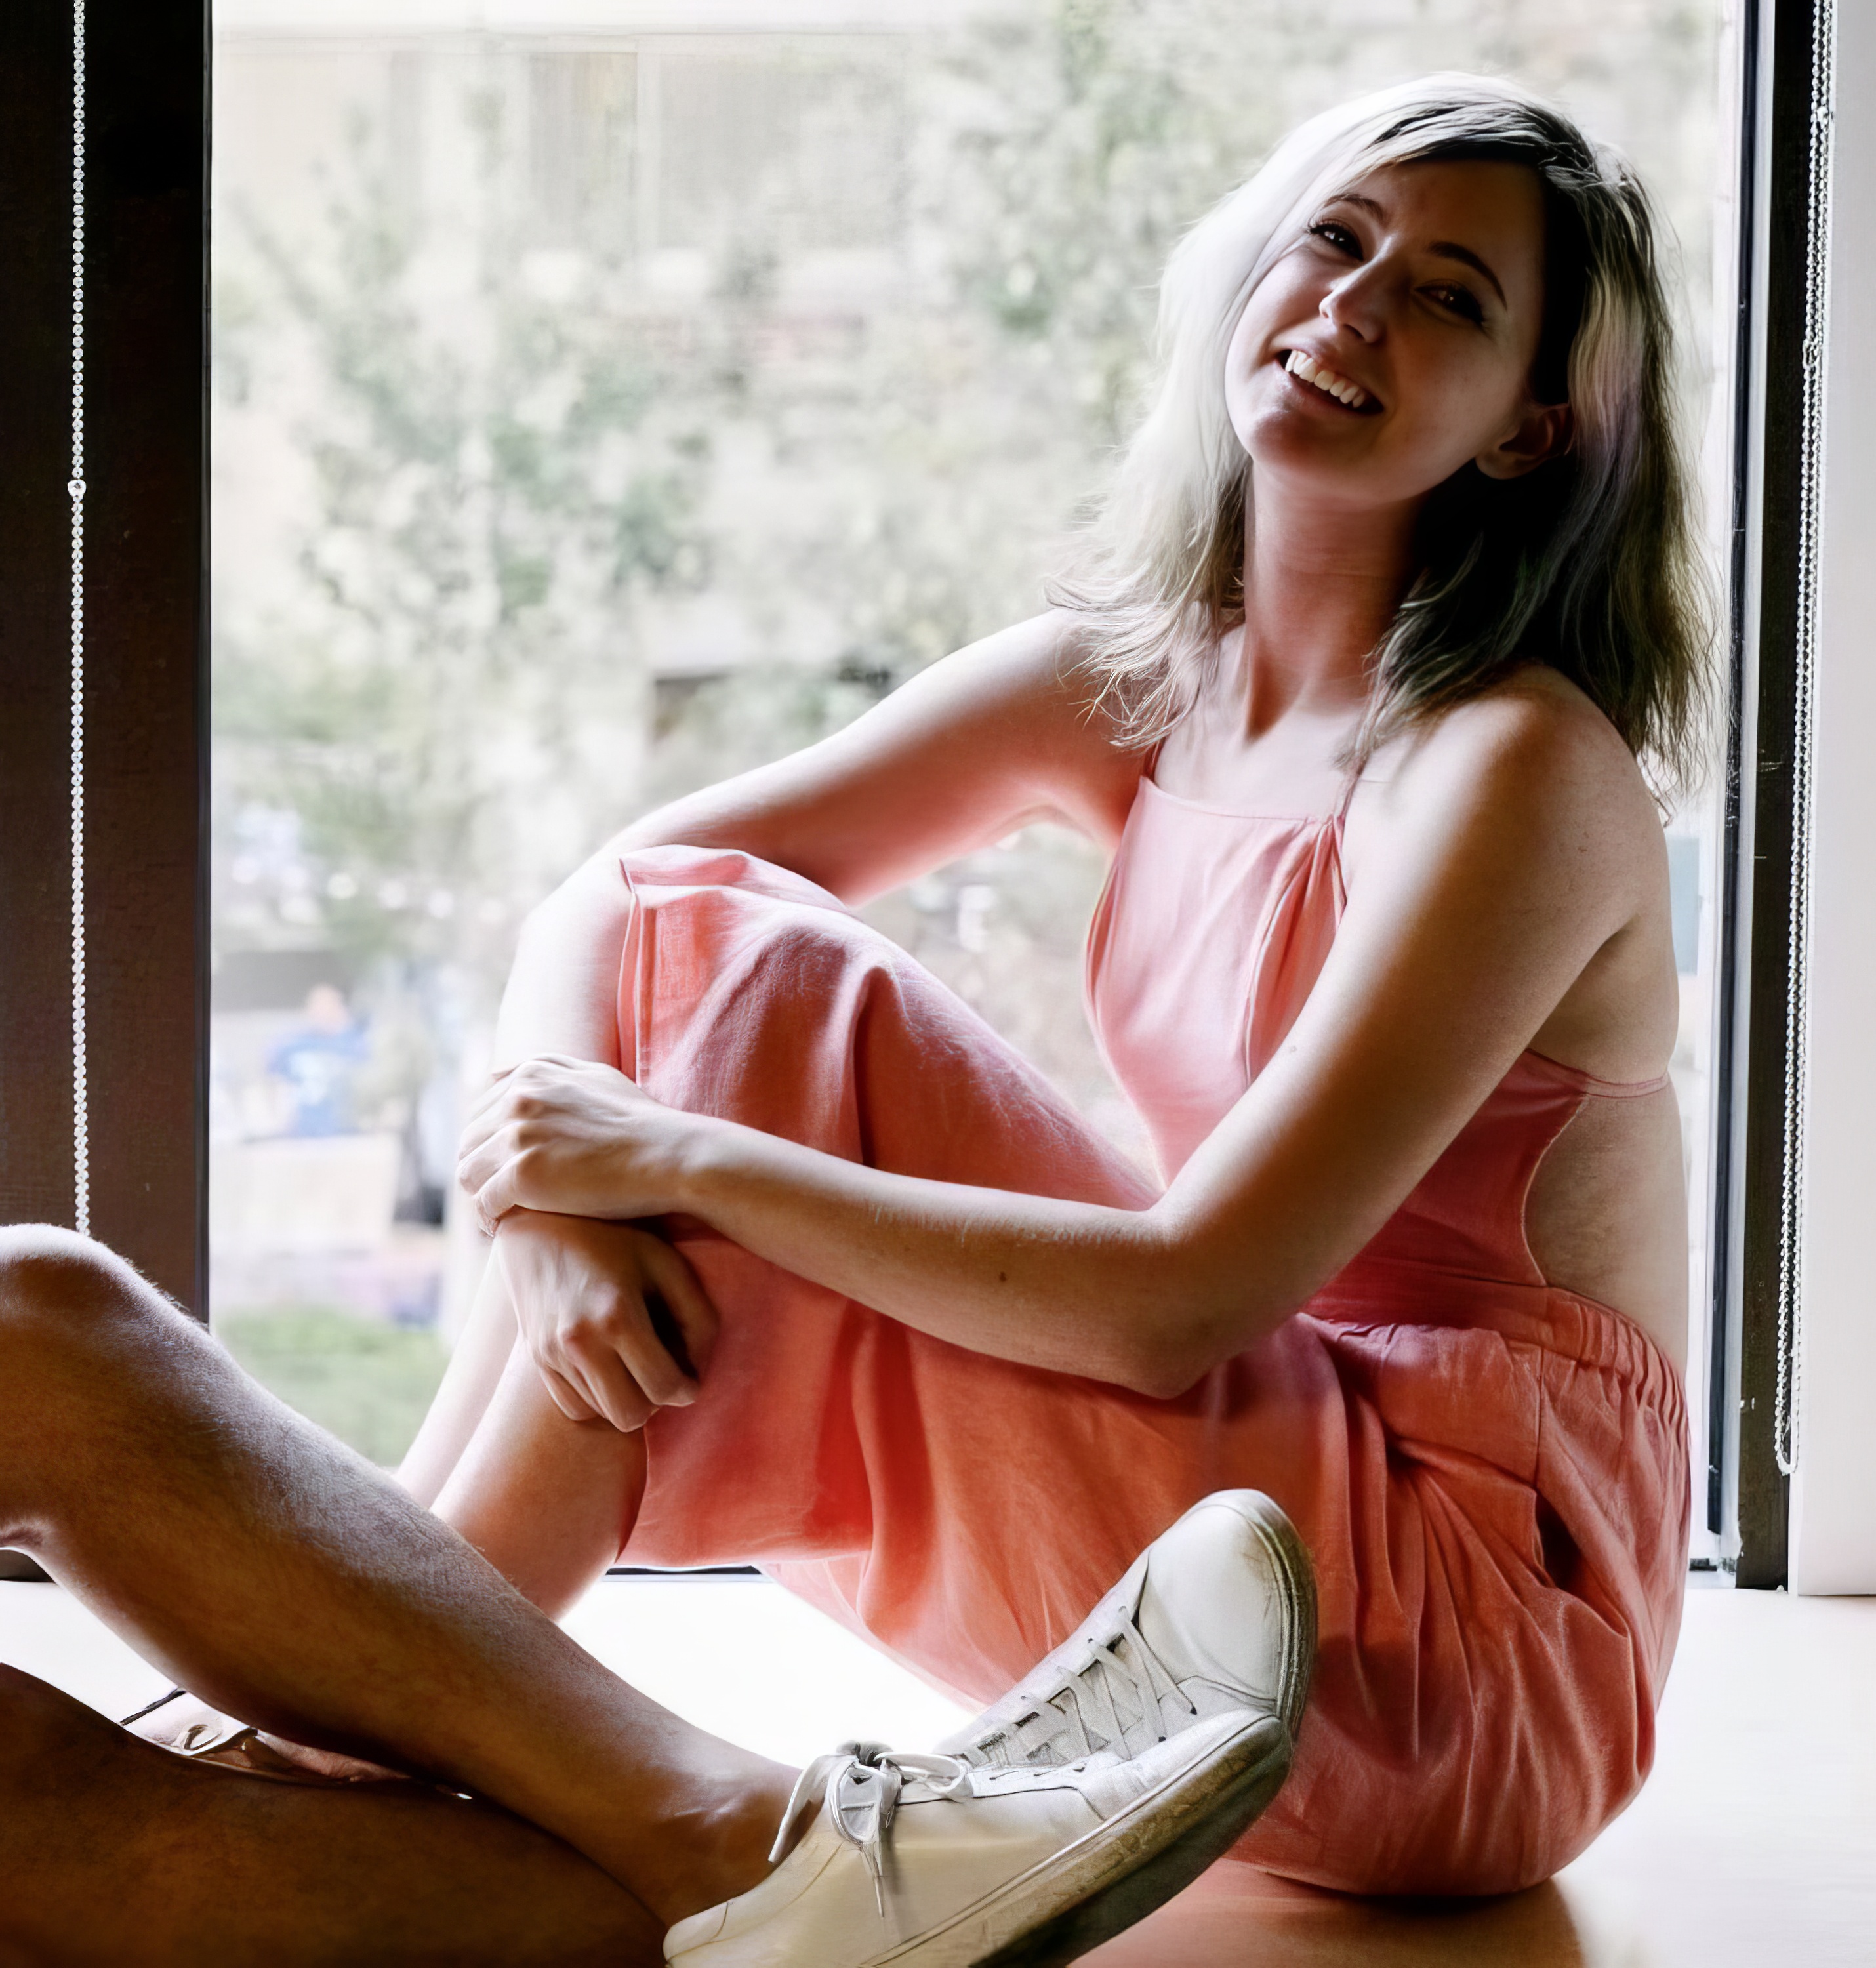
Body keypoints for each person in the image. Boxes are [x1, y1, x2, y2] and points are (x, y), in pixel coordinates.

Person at [403, 70, 1706, 1899]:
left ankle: (370, 1699)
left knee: (778, 1009)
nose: (1353, 306)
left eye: (1448, 298)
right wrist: (553, 1197)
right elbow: (621, 892)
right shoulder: (1140, 676)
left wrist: (673, 1165)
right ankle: (370, 1683)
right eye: (1335, 239)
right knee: (718, 946)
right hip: (1252, 1527)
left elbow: (1178, 1306)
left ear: (1525, 431)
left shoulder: (1510, 766)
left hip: (1453, 1652)